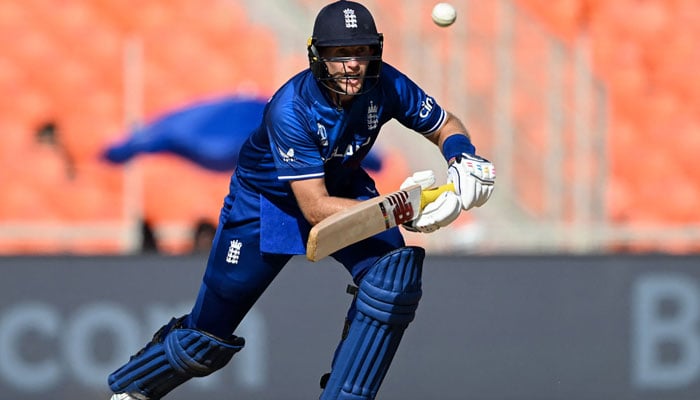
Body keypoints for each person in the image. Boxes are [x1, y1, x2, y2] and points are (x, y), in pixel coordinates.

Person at [107, 1, 495, 399]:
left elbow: (444, 123)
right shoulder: (291, 109)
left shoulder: (387, 85)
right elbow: (314, 208)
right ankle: (133, 388)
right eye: (340, 54)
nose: (353, 65)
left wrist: (463, 156)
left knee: (392, 277)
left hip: (342, 185)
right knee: (207, 340)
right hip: (264, 205)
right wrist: (402, 209)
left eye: (361, 52)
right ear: (318, 56)